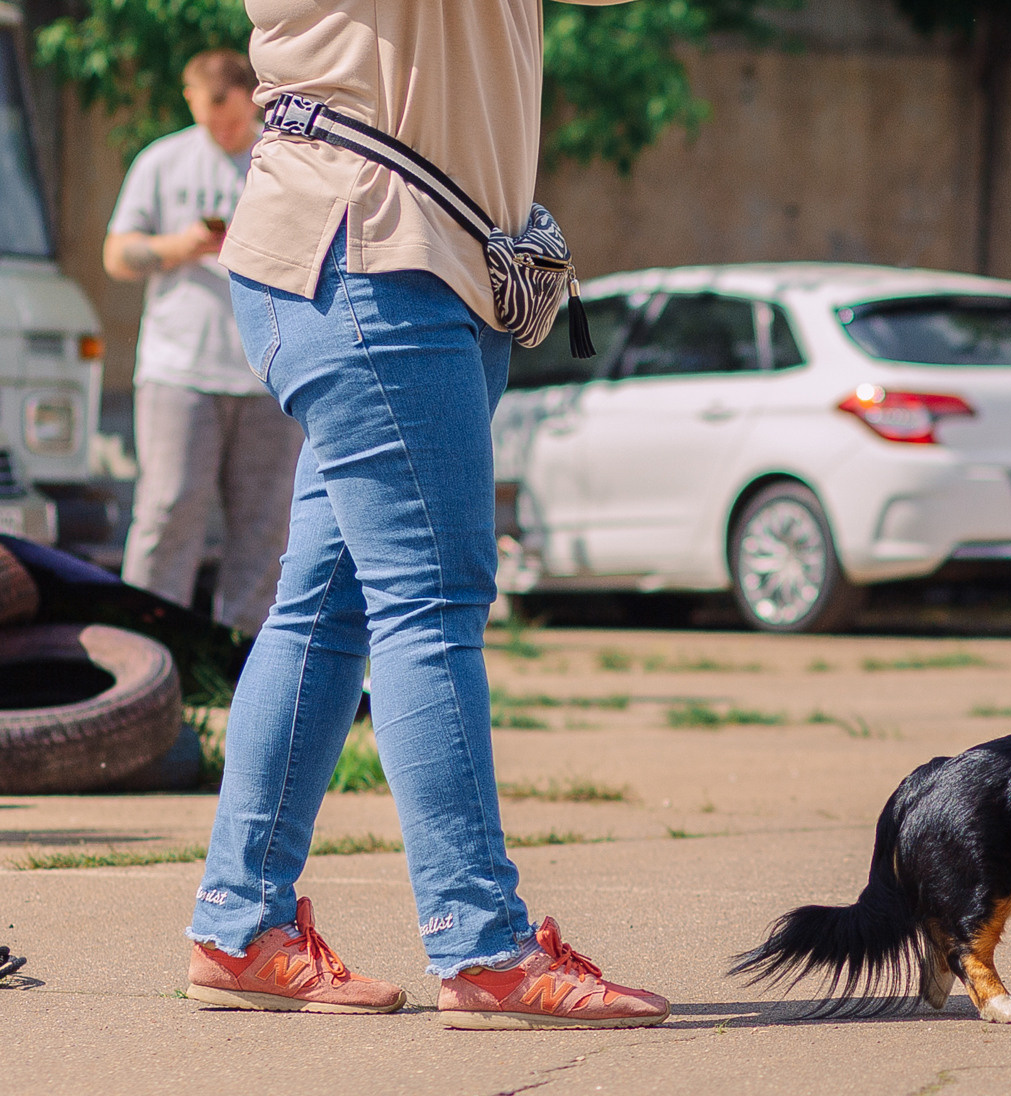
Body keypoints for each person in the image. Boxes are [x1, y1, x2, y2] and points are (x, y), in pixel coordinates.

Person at [182, 1, 669, 1029]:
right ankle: (483, 945)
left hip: (430, 266)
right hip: (366, 256)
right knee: (431, 598)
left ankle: (239, 924)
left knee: (327, 606)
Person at [105, 50, 305, 636]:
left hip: (269, 371)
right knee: (168, 513)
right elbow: (116, 255)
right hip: (178, 371)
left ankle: (242, 664)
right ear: (189, 98)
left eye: (235, 121)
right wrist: (182, 246)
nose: (222, 132)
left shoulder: (285, 160)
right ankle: (147, 657)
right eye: (209, 118)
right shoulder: (162, 161)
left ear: (254, 102)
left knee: (266, 530)